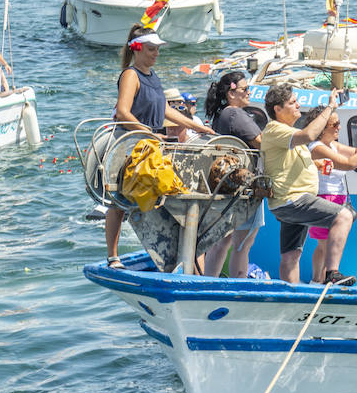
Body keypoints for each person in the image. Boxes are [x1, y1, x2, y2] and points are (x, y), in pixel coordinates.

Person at [104, 26, 214, 269]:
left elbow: (166, 110)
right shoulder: (130, 75)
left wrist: (200, 128)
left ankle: (175, 253)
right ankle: (113, 256)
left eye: (158, 49)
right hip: (130, 143)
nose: (156, 53)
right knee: (120, 201)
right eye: (151, 49)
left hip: (153, 143)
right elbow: (122, 112)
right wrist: (150, 132)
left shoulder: (153, 76)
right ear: (137, 49)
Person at [261, 83, 357, 286]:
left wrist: (314, 164)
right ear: (277, 109)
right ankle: (332, 274)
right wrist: (330, 107)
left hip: (288, 202)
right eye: (292, 102)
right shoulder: (276, 129)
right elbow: (309, 135)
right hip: (294, 200)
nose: (298, 105)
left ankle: (292, 296)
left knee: (291, 255)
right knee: (344, 216)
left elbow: (286, 162)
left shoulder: (286, 132)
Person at [303, 105, 357, 285]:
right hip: (323, 197)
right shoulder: (317, 148)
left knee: (325, 245)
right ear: (322, 128)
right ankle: (318, 281)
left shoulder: (332, 145)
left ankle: (319, 280)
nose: (339, 127)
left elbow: (355, 152)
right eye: (335, 124)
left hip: (336, 198)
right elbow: (349, 164)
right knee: (324, 245)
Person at [201, 72, 265, 280]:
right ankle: (240, 283)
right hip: (244, 188)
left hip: (226, 186)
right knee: (243, 243)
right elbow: (260, 141)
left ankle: (209, 281)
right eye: (245, 89)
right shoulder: (236, 114)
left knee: (223, 241)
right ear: (231, 93)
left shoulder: (221, 115)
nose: (249, 93)